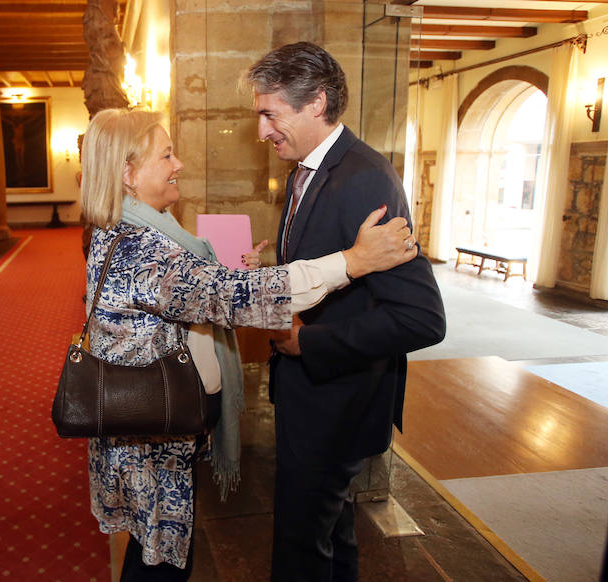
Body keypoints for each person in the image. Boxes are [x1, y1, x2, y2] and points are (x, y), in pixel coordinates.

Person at [79, 108, 420, 581]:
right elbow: (228, 298)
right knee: (160, 564)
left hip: (150, 427)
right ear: (127, 173)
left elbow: (202, 290)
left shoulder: (129, 228)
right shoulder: (141, 247)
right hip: (149, 441)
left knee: (155, 553)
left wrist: (231, 278)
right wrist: (352, 260)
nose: (178, 165)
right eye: (167, 154)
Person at [244, 42, 447, 581]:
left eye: (270, 113)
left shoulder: (364, 178)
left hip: (338, 397)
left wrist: (306, 343)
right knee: (330, 535)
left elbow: (421, 318)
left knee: (299, 544)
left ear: (317, 102)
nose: (262, 130)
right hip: (310, 392)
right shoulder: (304, 171)